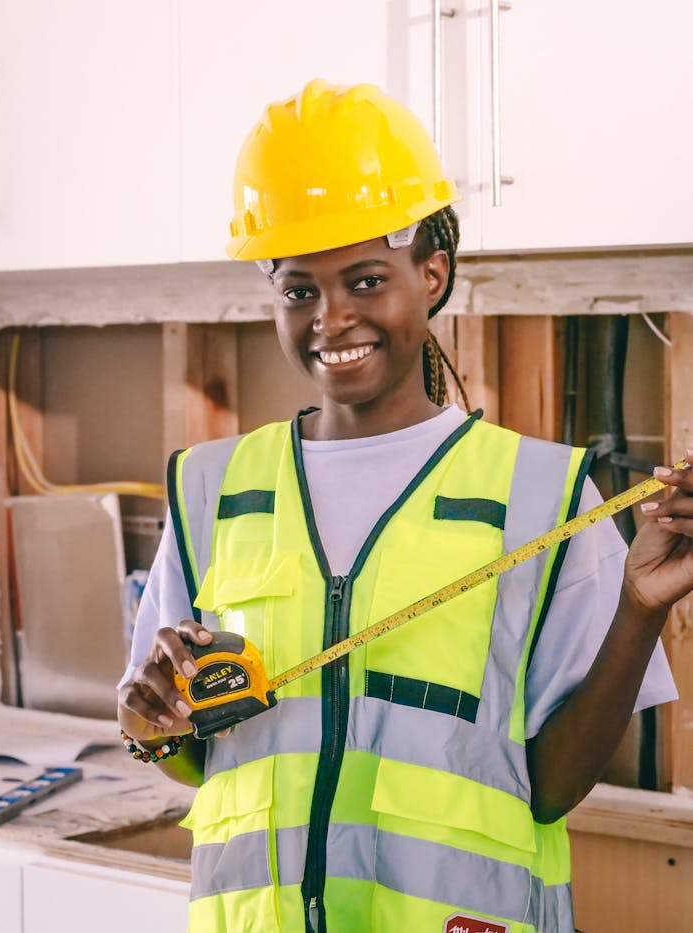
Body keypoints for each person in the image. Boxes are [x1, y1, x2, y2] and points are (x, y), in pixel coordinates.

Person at [118, 79, 687, 933]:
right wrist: (149, 721)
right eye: (300, 289)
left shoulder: (543, 495)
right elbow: (194, 752)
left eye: (365, 278)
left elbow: (554, 785)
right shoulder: (210, 489)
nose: (331, 317)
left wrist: (640, 608)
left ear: (432, 274)